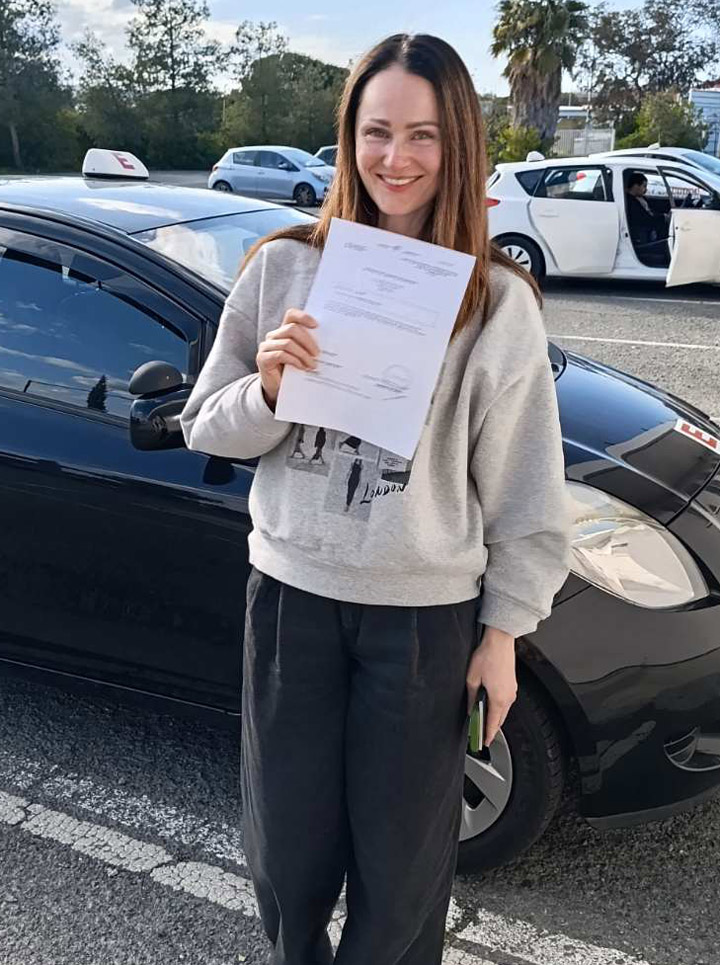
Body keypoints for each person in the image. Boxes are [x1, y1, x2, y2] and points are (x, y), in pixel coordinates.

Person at [180, 33, 571, 965]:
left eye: (423, 135)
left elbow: (526, 489)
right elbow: (206, 426)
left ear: (458, 144)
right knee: (286, 860)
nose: (396, 158)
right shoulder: (283, 266)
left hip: (422, 622)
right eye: (377, 131)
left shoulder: (497, 302)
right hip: (292, 601)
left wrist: (504, 634)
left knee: (401, 882)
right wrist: (268, 388)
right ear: (348, 136)